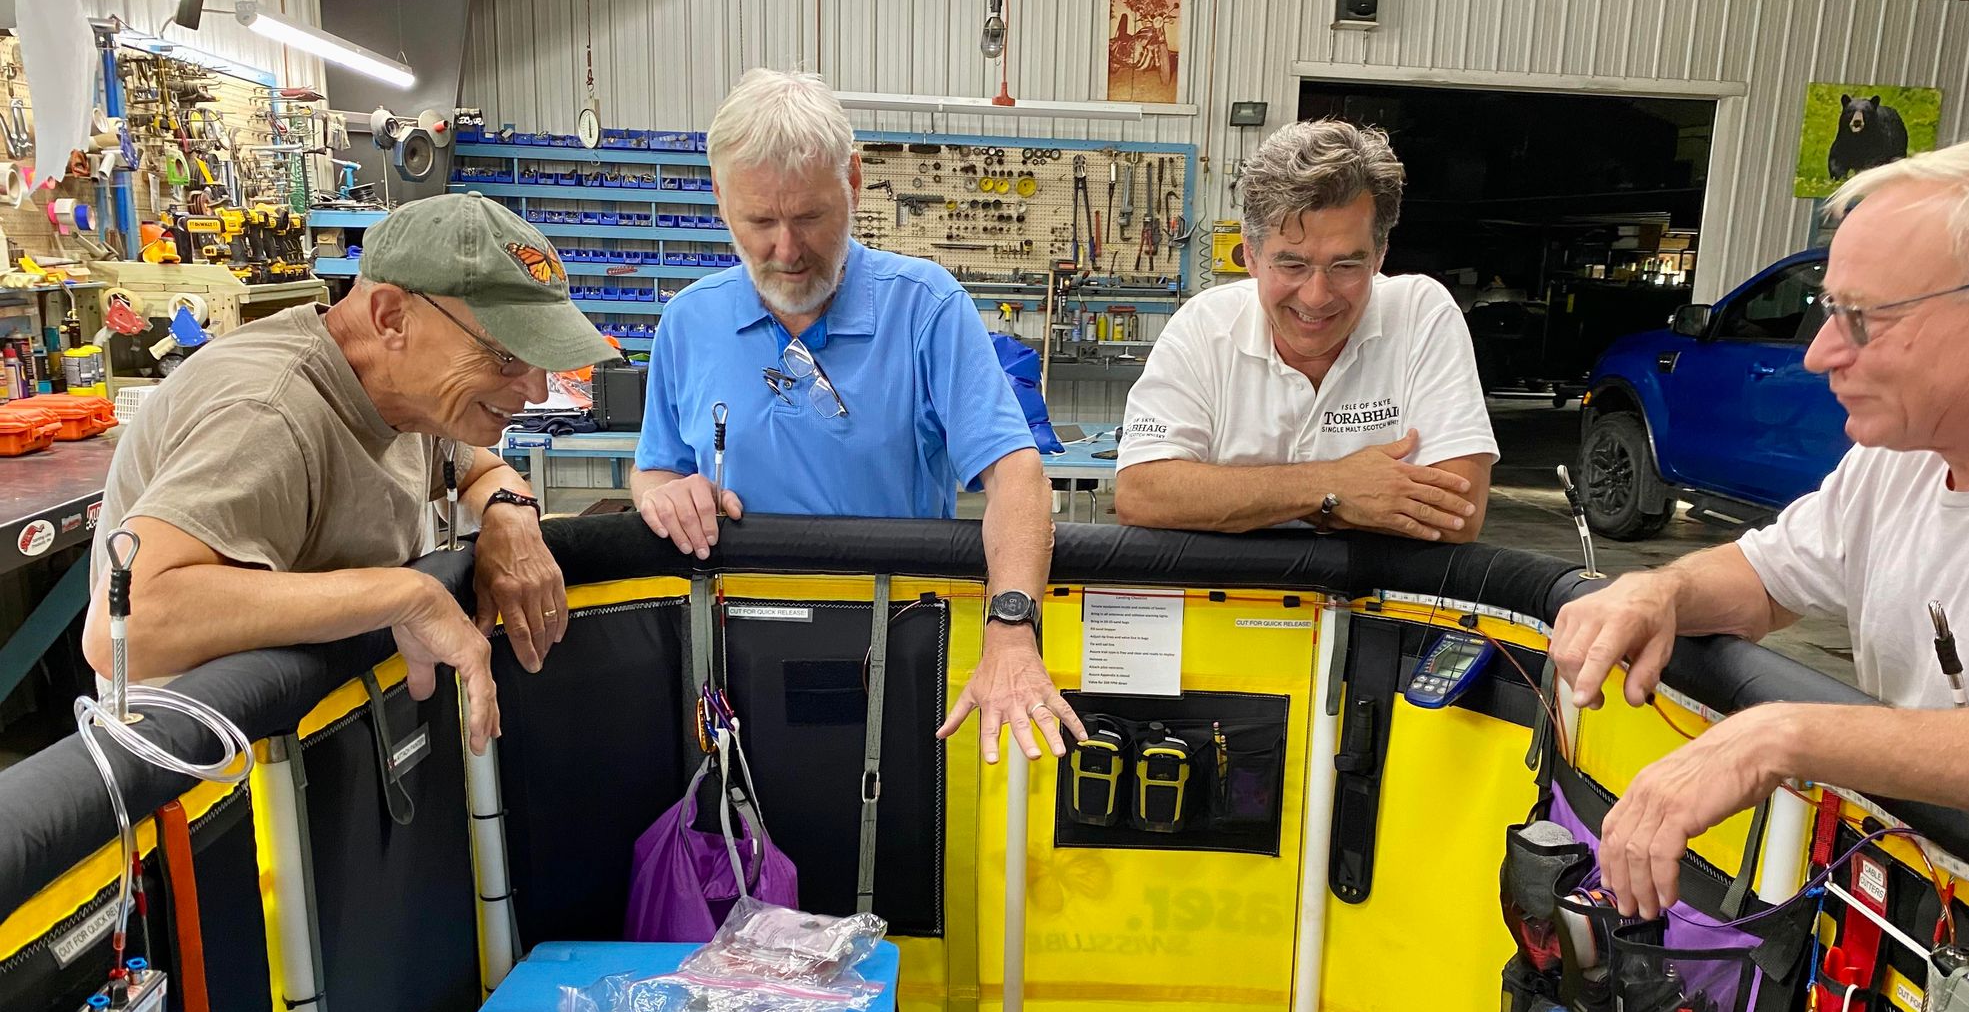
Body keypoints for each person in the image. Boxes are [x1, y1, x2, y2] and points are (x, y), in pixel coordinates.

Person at [1549, 133, 1969, 918]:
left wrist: (1784, 735)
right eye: (1826, 311)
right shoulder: (1900, 460)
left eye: (1861, 319)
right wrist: (1656, 591)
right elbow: (1767, 577)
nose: (1818, 356)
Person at [631, 69, 1084, 764]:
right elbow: (655, 465)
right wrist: (665, 494)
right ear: (720, 197)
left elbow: (1017, 475)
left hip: (892, 657)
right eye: (758, 222)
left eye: (810, 217)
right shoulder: (688, 321)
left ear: (853, 178)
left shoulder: (926, 308)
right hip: (733, 671)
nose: (786, 250)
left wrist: (1012, 630)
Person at [84, 193, 616, 752]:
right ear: (391, 316)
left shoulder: (410, 395)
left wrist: (512, 521)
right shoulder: (267, 413)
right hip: (205, 781)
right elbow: (128, 627)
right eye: (505, 355)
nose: (534, 390)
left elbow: (481, 472)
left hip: (308, 745)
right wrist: (409, 594)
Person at [1114, 118, 1497, 538]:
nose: (1316, 296)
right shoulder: (1204, 326)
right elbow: (1142, 492)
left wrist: (1237, 499)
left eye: (1346, 265)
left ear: (1380, 254)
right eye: (1292, 264)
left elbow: (1456, 514)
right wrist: (1333, 487)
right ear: (1252, 255)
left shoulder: (1421, 314)